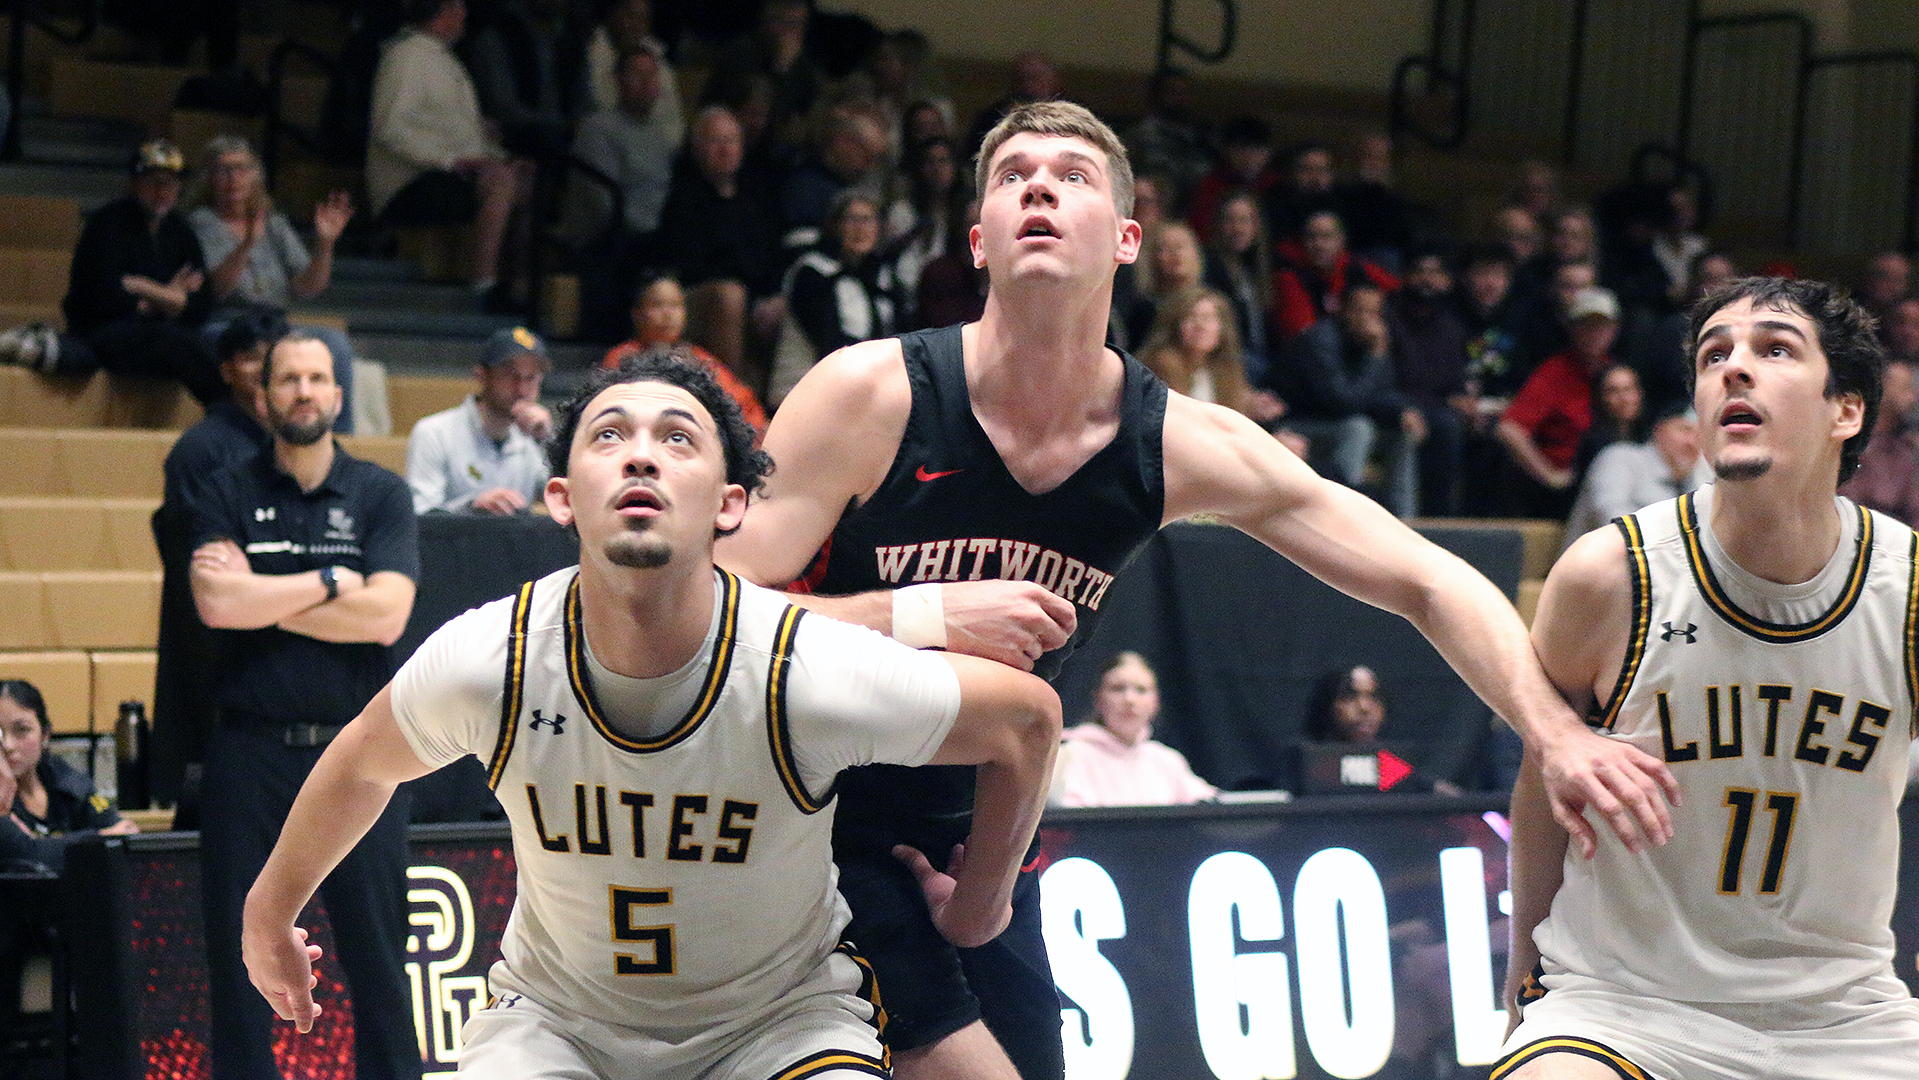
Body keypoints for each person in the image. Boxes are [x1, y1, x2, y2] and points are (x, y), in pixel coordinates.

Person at [716, 100, 1679, 1080]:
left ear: (1129, 238)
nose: (1037, 186)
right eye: (1010, 176)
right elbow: (699, 618)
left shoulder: (1174, 441)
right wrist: (915, 616)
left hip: (976, 846)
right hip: (807, 814)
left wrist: (1554, 735)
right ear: (977, 239)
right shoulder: (870, 395)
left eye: (1071, 175)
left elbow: (1424, 579)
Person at [242, 352, 1063, 1080]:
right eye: (607, 435)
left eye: (677, 437)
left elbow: (1026, 722)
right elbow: (361, 760)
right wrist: (267, 910)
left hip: (779, 1029)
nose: (640, 451)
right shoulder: (496, 656)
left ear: (731, 505)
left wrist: (983, 899)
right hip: (557, 1027)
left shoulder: (798, 666)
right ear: (560, 498)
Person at [1499, 276, 1919, 1080]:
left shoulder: (1903, 592)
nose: (1732, 368)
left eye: (1772, 349)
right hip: (1622, 1009)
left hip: (1847, 1018)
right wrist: (1524, 982)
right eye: (1712, 354)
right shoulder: (1609, 575)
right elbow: (1540, 783)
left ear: (1847, 410)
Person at [188, 329, 421, 1080]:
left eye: (317, 378)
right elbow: (215, 602)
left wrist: (265, 594)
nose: (304, 391)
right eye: (289, 378)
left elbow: (387, 615)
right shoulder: (226, 486)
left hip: (358, 755)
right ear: (264, 394)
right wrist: (330, 585)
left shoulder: (380, 493)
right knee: (239, 954)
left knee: (379, 961)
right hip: (247, 751)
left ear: (338, 394)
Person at [151, 312, 282, 814]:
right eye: (251, 357)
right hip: (214, 637)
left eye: (273, 358)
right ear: (227, 370)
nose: (264, 368)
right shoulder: (201, 449)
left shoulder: (289, 446)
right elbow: (193, 557)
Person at [367, 0, 534, 305]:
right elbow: (390, 128)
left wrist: (498, 157)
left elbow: (456, 135)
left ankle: (519, 285)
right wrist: (453, 161)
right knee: (499, 183)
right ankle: (484, 283)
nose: (465, 15)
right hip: (408, 184)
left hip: (445, 175)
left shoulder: (443, 60)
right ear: (442, 13)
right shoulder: (406, 57)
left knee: (522, 178)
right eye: (458, 8)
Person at [187, 134, 357, 431]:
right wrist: (247, 243)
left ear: (255, 175)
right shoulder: (198, 223)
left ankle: (337, 436)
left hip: (276, 321)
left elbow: (308, 287)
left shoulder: (274, 223)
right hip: (226, 321)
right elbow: (215, 290)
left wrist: (326, 243)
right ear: (209, 178)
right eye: (223, 170)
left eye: (242, 169)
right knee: (230, 346)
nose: (233, 178)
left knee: (335, 344)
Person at [60, 138, 221, 403]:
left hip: (161, 332)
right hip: (105, 335)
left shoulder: (181, 231)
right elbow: (96, 300)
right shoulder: (106, 225)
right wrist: (170, 298)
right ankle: (230, 416)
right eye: (153, 182)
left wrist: (142, 288)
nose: (162, 192)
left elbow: (200, 305)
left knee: (216, 345)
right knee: (176, 343)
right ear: (135, 184)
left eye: (170, 184)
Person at [1496, 285, 1621, 518]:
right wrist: (1549, 475)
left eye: (1600, 326)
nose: (1593, 333)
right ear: (1572, 329)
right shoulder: (1555, 372)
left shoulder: (1616, 373)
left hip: (1613, 480)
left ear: (1614, 330)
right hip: (1568, 490)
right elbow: (1509, 429)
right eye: (1585, 326)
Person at [406, 326, 553, 515]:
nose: (522, 389)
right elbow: (419, 513)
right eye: (510, 376)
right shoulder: (434, 432)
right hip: (454, 543)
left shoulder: (532, 438)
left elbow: (568, 495)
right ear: (481, 376)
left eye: (531, 378)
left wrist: (551, 440)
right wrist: (471, 507)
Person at [601, 273, 767, 434]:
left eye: (676, 305)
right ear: (637, 314)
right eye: (658, 305)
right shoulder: (622, 357)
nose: (668, 314)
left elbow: (741, 402)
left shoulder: (698, 357)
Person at [0, 679, 137, 872]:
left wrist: (50, 845)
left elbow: (124, 830)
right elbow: (26, 855)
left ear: (45, 735)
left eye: (21, 730)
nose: (8, 745)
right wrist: (99, 838)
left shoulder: (64, 777)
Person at [1049, 651, 1215, 807]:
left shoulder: (1166, 761)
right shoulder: (1070, 756)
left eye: (1141, 690)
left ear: (1155, 702)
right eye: (1118, 688)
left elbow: (1214, 807)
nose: (1129, 699)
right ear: (1098, 699)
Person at [1281, 663, 1462, 796]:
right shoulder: (1301, 763)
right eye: (1350, 696)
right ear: (1327, 704)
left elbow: (1437, 792)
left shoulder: (1390, 764)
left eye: (1374, 697)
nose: (1364, 708)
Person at [1561, 401, 1707, 551]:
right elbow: (1611, 520)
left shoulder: (1695, 480)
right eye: (1684, 430)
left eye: (1700, 435)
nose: (1692, 442)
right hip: (1594, 567)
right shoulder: (1620, 458)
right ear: (1659, 430)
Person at [1839, 356, 1919, 526]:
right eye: (1906, 389)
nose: (1913, 399)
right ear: (1883, 386)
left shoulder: (1905, 452)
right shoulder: (1845, 441)